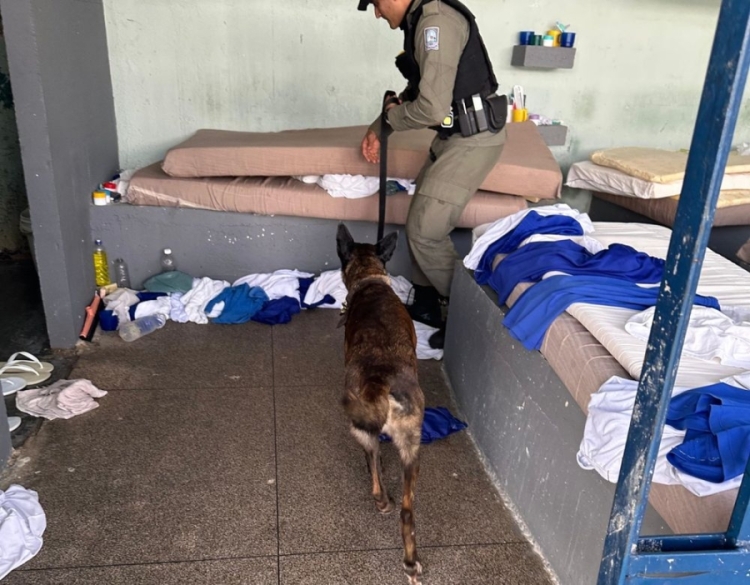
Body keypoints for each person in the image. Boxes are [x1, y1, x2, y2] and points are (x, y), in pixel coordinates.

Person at [358, 0, 507, 350]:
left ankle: (469, 319)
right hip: (453, 137)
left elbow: (432, 107)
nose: (378, 14)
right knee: (418, 221)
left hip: (473, 140)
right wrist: (381, 127)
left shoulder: (435, 21)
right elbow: (421, 91)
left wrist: (389, 123)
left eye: (377, 4)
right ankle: (427, 305)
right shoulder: (420, 20)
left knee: (426, 230)